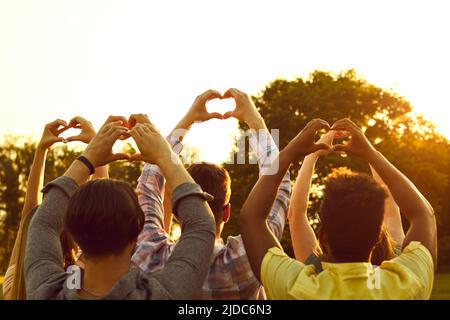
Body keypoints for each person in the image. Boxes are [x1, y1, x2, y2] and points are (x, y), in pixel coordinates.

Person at [239, 118, 437, 300]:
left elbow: (252, 217)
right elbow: (423, 214)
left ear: (322, 236)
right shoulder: (407, 284)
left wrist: (298, 152)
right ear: (378, 235)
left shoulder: (298, 287)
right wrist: (370, 153)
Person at [24, 116, 216, 300]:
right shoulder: (164, 294)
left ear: (73, 232)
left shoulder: (46, 292)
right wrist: (165, 156)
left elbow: (43, 223)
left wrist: (88, 158)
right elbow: (201, 224)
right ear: (136, 235)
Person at [131, 88, 291, 299]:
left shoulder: (152, 255)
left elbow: (149, 184)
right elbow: (279, 185)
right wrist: (254, 120)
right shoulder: (245, 260)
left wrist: (187, 122)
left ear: (179, 213)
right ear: (226, 213)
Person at [2, 117, 105, 300]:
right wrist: (96, 144)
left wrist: (41, 150)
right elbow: (103, 213)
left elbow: (29, 216)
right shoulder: (73, 282)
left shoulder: (14, 284)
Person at [288, 130, 403, 269]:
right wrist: (369, 153)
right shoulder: (396, 267)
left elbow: (295, 214)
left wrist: (312, 155)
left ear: (325, 237)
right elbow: (395, 211)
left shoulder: (318, 272)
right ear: (377, 233)